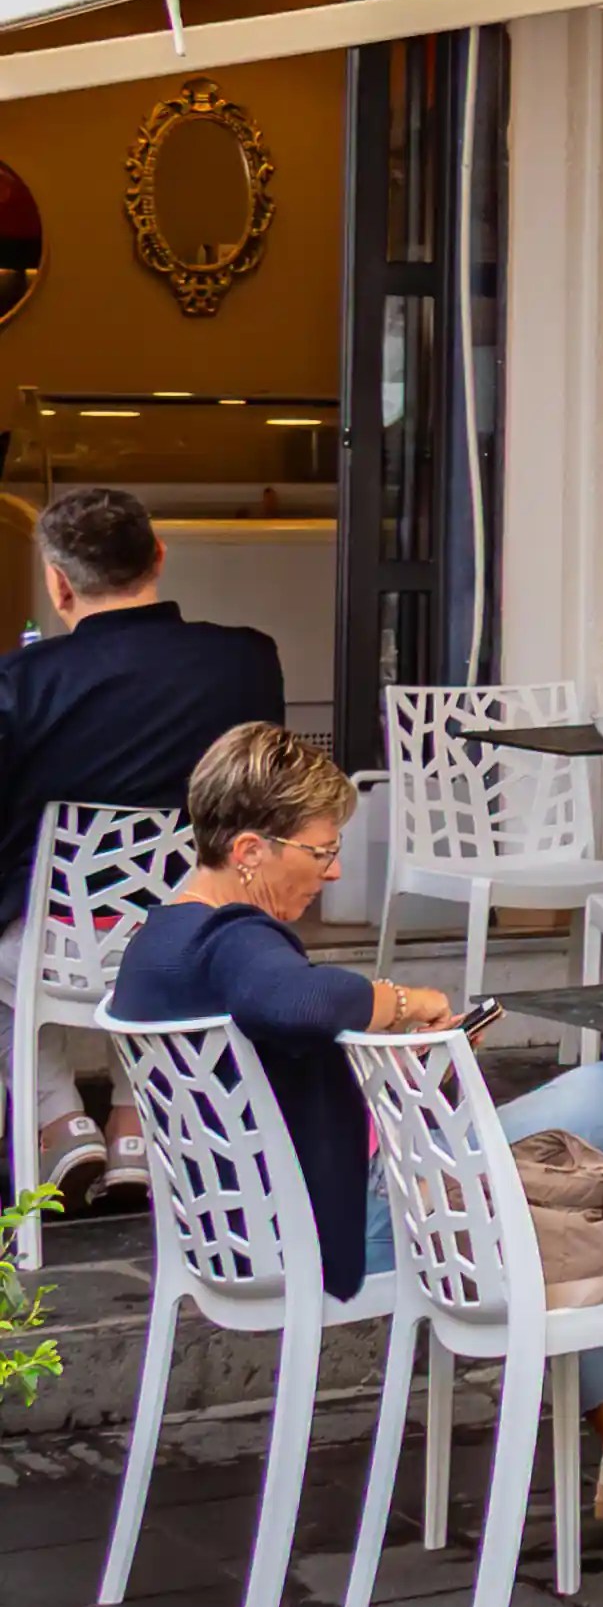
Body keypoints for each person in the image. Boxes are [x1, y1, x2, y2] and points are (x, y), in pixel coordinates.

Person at [113, 724, 603, 1526]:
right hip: (343, 1223)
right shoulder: (237, 940)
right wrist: (405, 1002)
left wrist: (403, 1065)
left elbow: (275, 1060)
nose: (332, 873)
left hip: (242, 1228)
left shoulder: (159, 940)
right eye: (321, 852)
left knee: (537, 1195)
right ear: (251, 849)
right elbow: (297, 1000)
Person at [0, 485, 286, 1206]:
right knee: (155, 917)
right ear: (158, 555)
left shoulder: (21, 682)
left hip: (57, 943)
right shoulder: (248, 661)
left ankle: (57, 1120)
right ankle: (134, 1124)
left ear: (58, 583)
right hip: (199, 933)